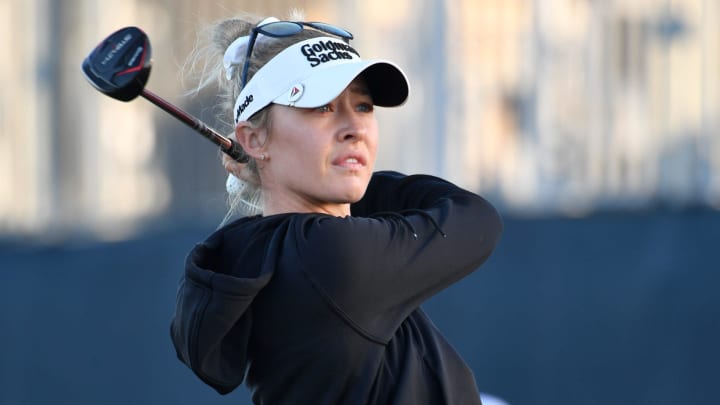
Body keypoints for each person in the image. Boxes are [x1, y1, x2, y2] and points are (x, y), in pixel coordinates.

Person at [170, 10, 504, 405]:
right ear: (254, 140)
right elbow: (475, 219)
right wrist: (353, 184)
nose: (355, 127)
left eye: (363, 106)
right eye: (321, 107)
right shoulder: (329, 254)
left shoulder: (276, 252)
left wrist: (293, 171)